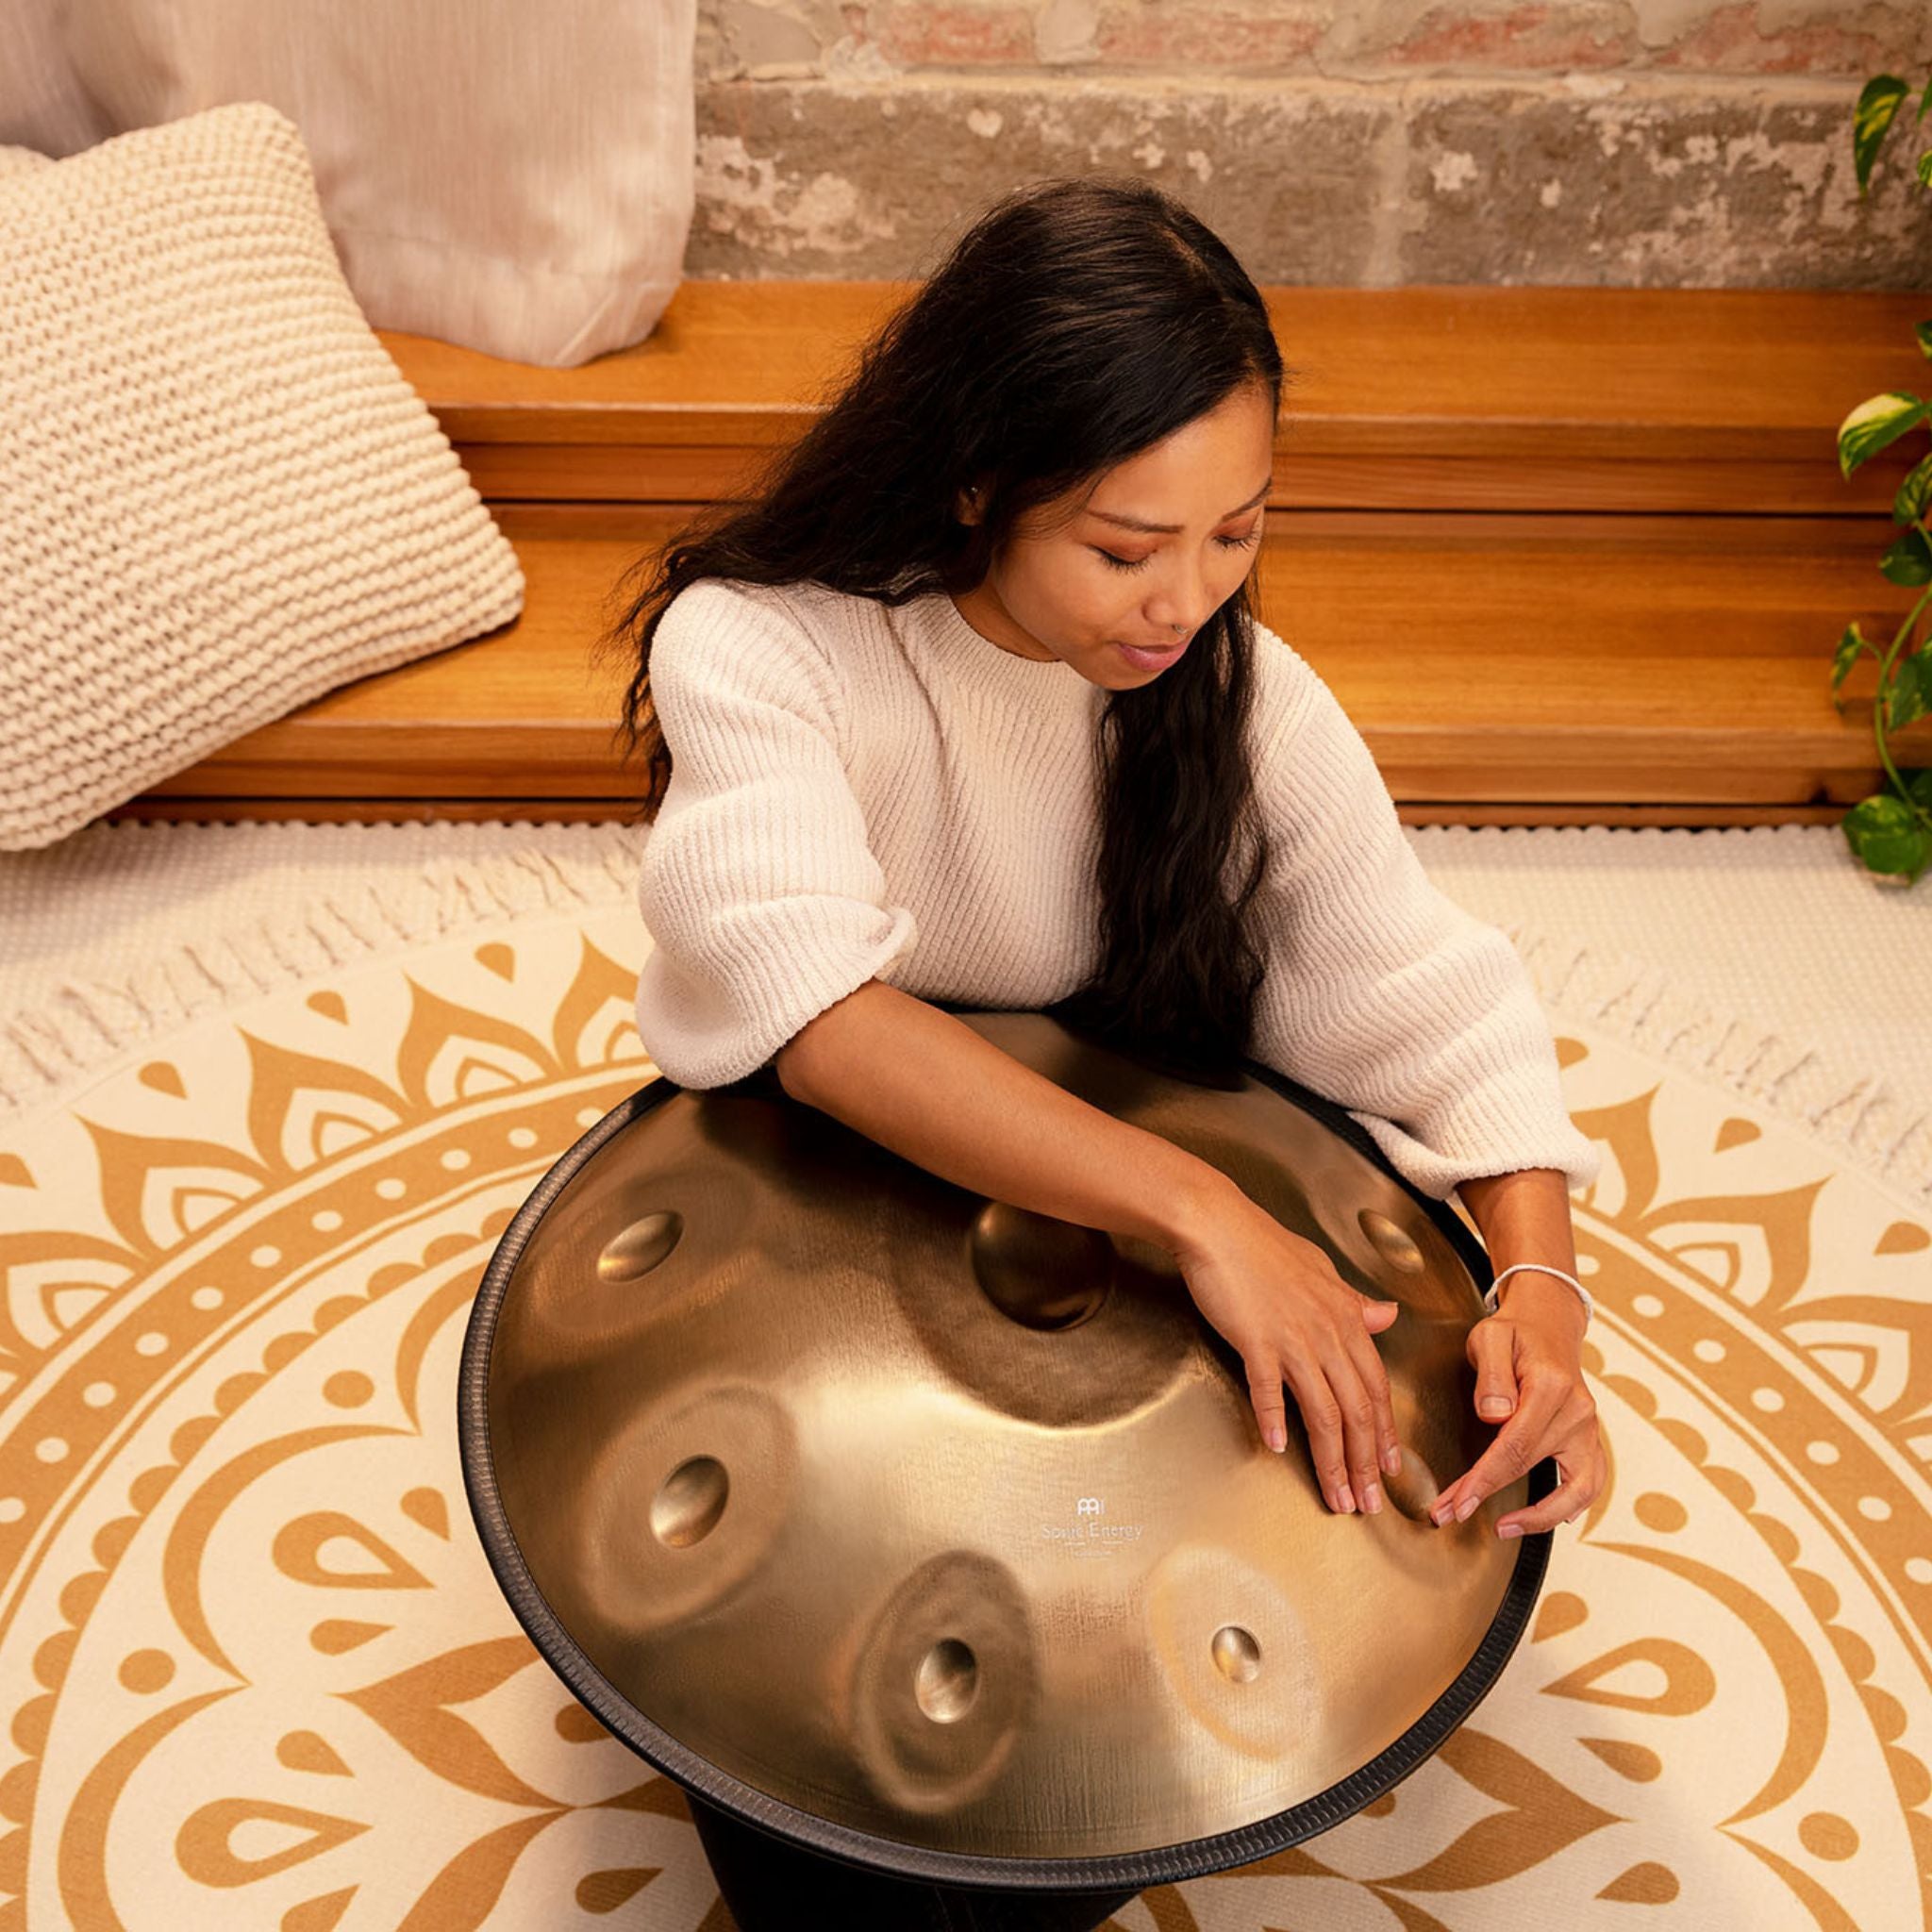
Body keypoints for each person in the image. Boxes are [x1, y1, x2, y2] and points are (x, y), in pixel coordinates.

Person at [595, 173, 1606, 1931]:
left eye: (1237, 536)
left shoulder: (1239, 699)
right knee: (813, 1818)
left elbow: (1438, 1007)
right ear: (975, 479)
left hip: (1087, 1273)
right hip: (812, 1230)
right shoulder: (763, 647)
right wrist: (1204, 1214)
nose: (1185, 603)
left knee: (1084, 1784)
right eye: (1127, 550)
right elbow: (816, 1017)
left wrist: (1544, 1296)